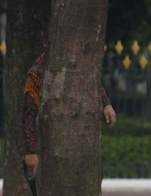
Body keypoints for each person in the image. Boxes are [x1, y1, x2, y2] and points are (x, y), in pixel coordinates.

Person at [23, 33, 117, 179]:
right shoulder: (38, 72)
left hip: (83, 145)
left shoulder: (77, 63)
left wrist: (106, 103)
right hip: (52, 148)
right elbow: (29, 114)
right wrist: (31, 152)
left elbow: (92, 82)